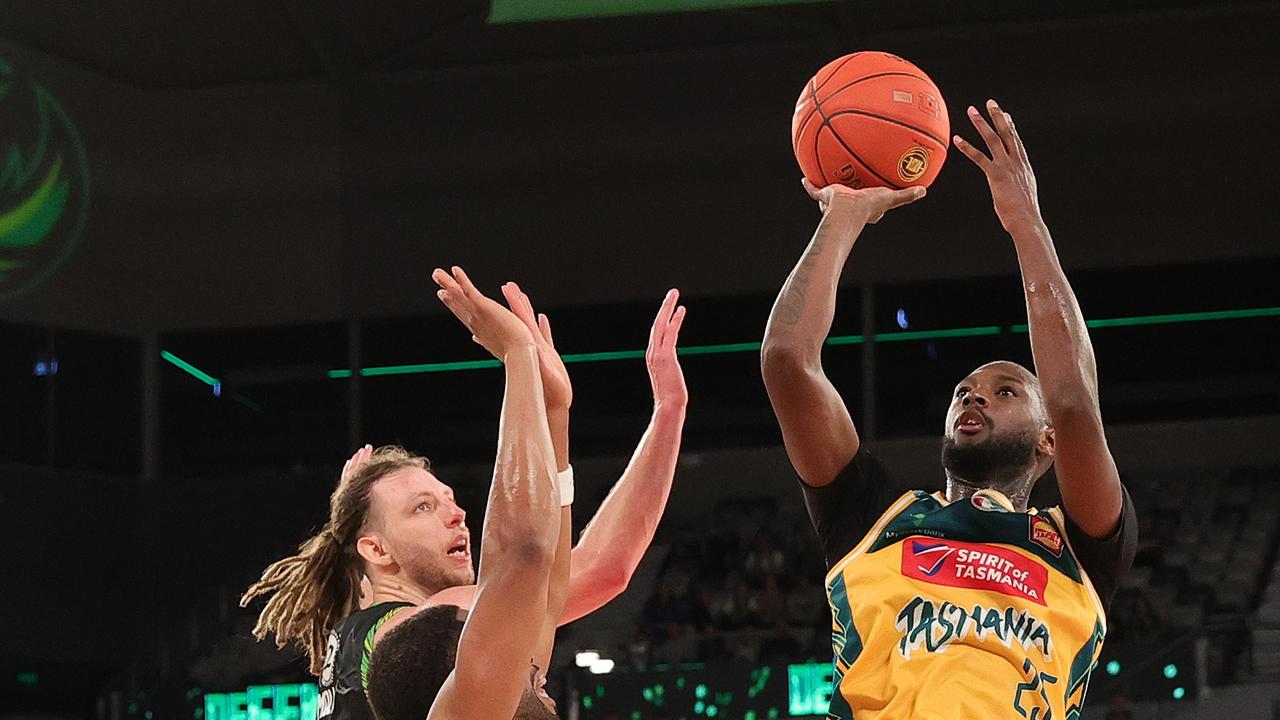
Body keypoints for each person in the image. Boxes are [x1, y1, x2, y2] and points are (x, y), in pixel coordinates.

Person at [760, 100, 1137, 719]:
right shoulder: (873, 517)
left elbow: (1074, 404)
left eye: (1006, 390)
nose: (974, 395)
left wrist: (1027, 227)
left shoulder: (1083, 548)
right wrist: (843, 218)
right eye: (965, 390)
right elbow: (787, 362)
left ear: (1048, 444)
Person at [240, 271, 688, 720]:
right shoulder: (426, 627)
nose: (456, 516)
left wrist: (578, 413)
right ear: (375, 549)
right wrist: (522, 364)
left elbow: (595, 570)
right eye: (423, 507)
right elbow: (529, 558)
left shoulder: (363, 641)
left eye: (449, 499)